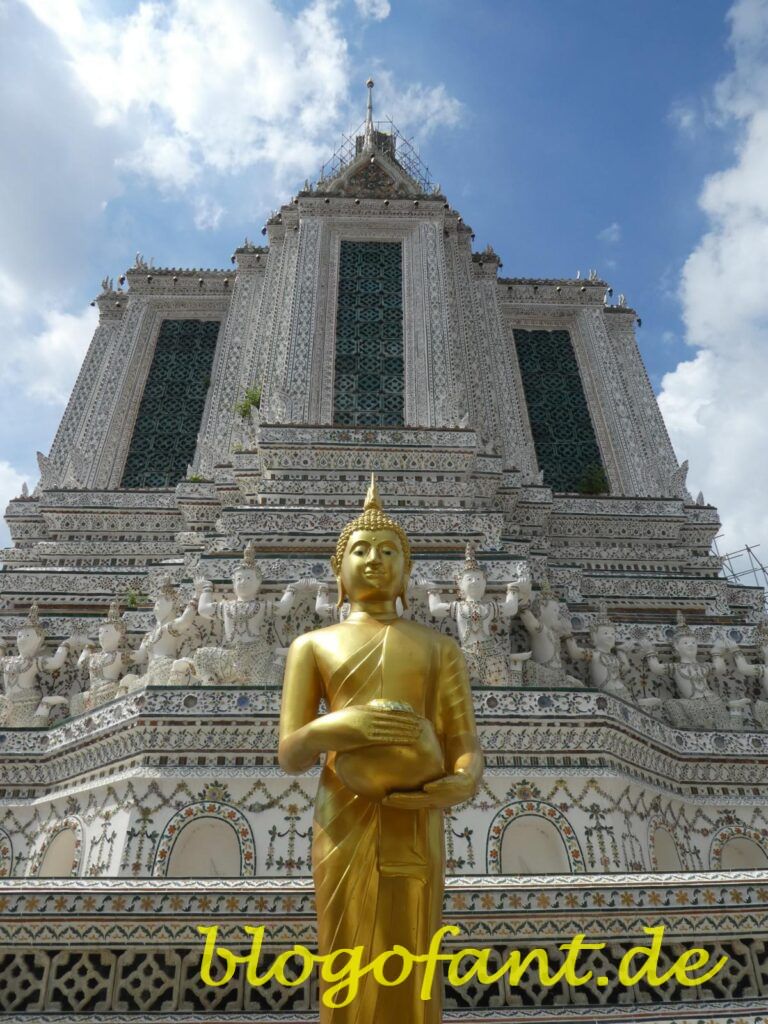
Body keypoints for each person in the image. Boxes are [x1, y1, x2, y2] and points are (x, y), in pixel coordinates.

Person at [278, 475, 483, 1022]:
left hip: (417, 815)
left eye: (390, 551)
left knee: (413, 942)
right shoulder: (312, 646)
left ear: (406, 572)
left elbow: (464, 744)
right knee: (345, 941)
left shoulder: (440, 647)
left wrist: (463, 780)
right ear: (338, 571)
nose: (375, 560)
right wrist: (341, 726)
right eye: (361, 550)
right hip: (341, 812)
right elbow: (291, 752)